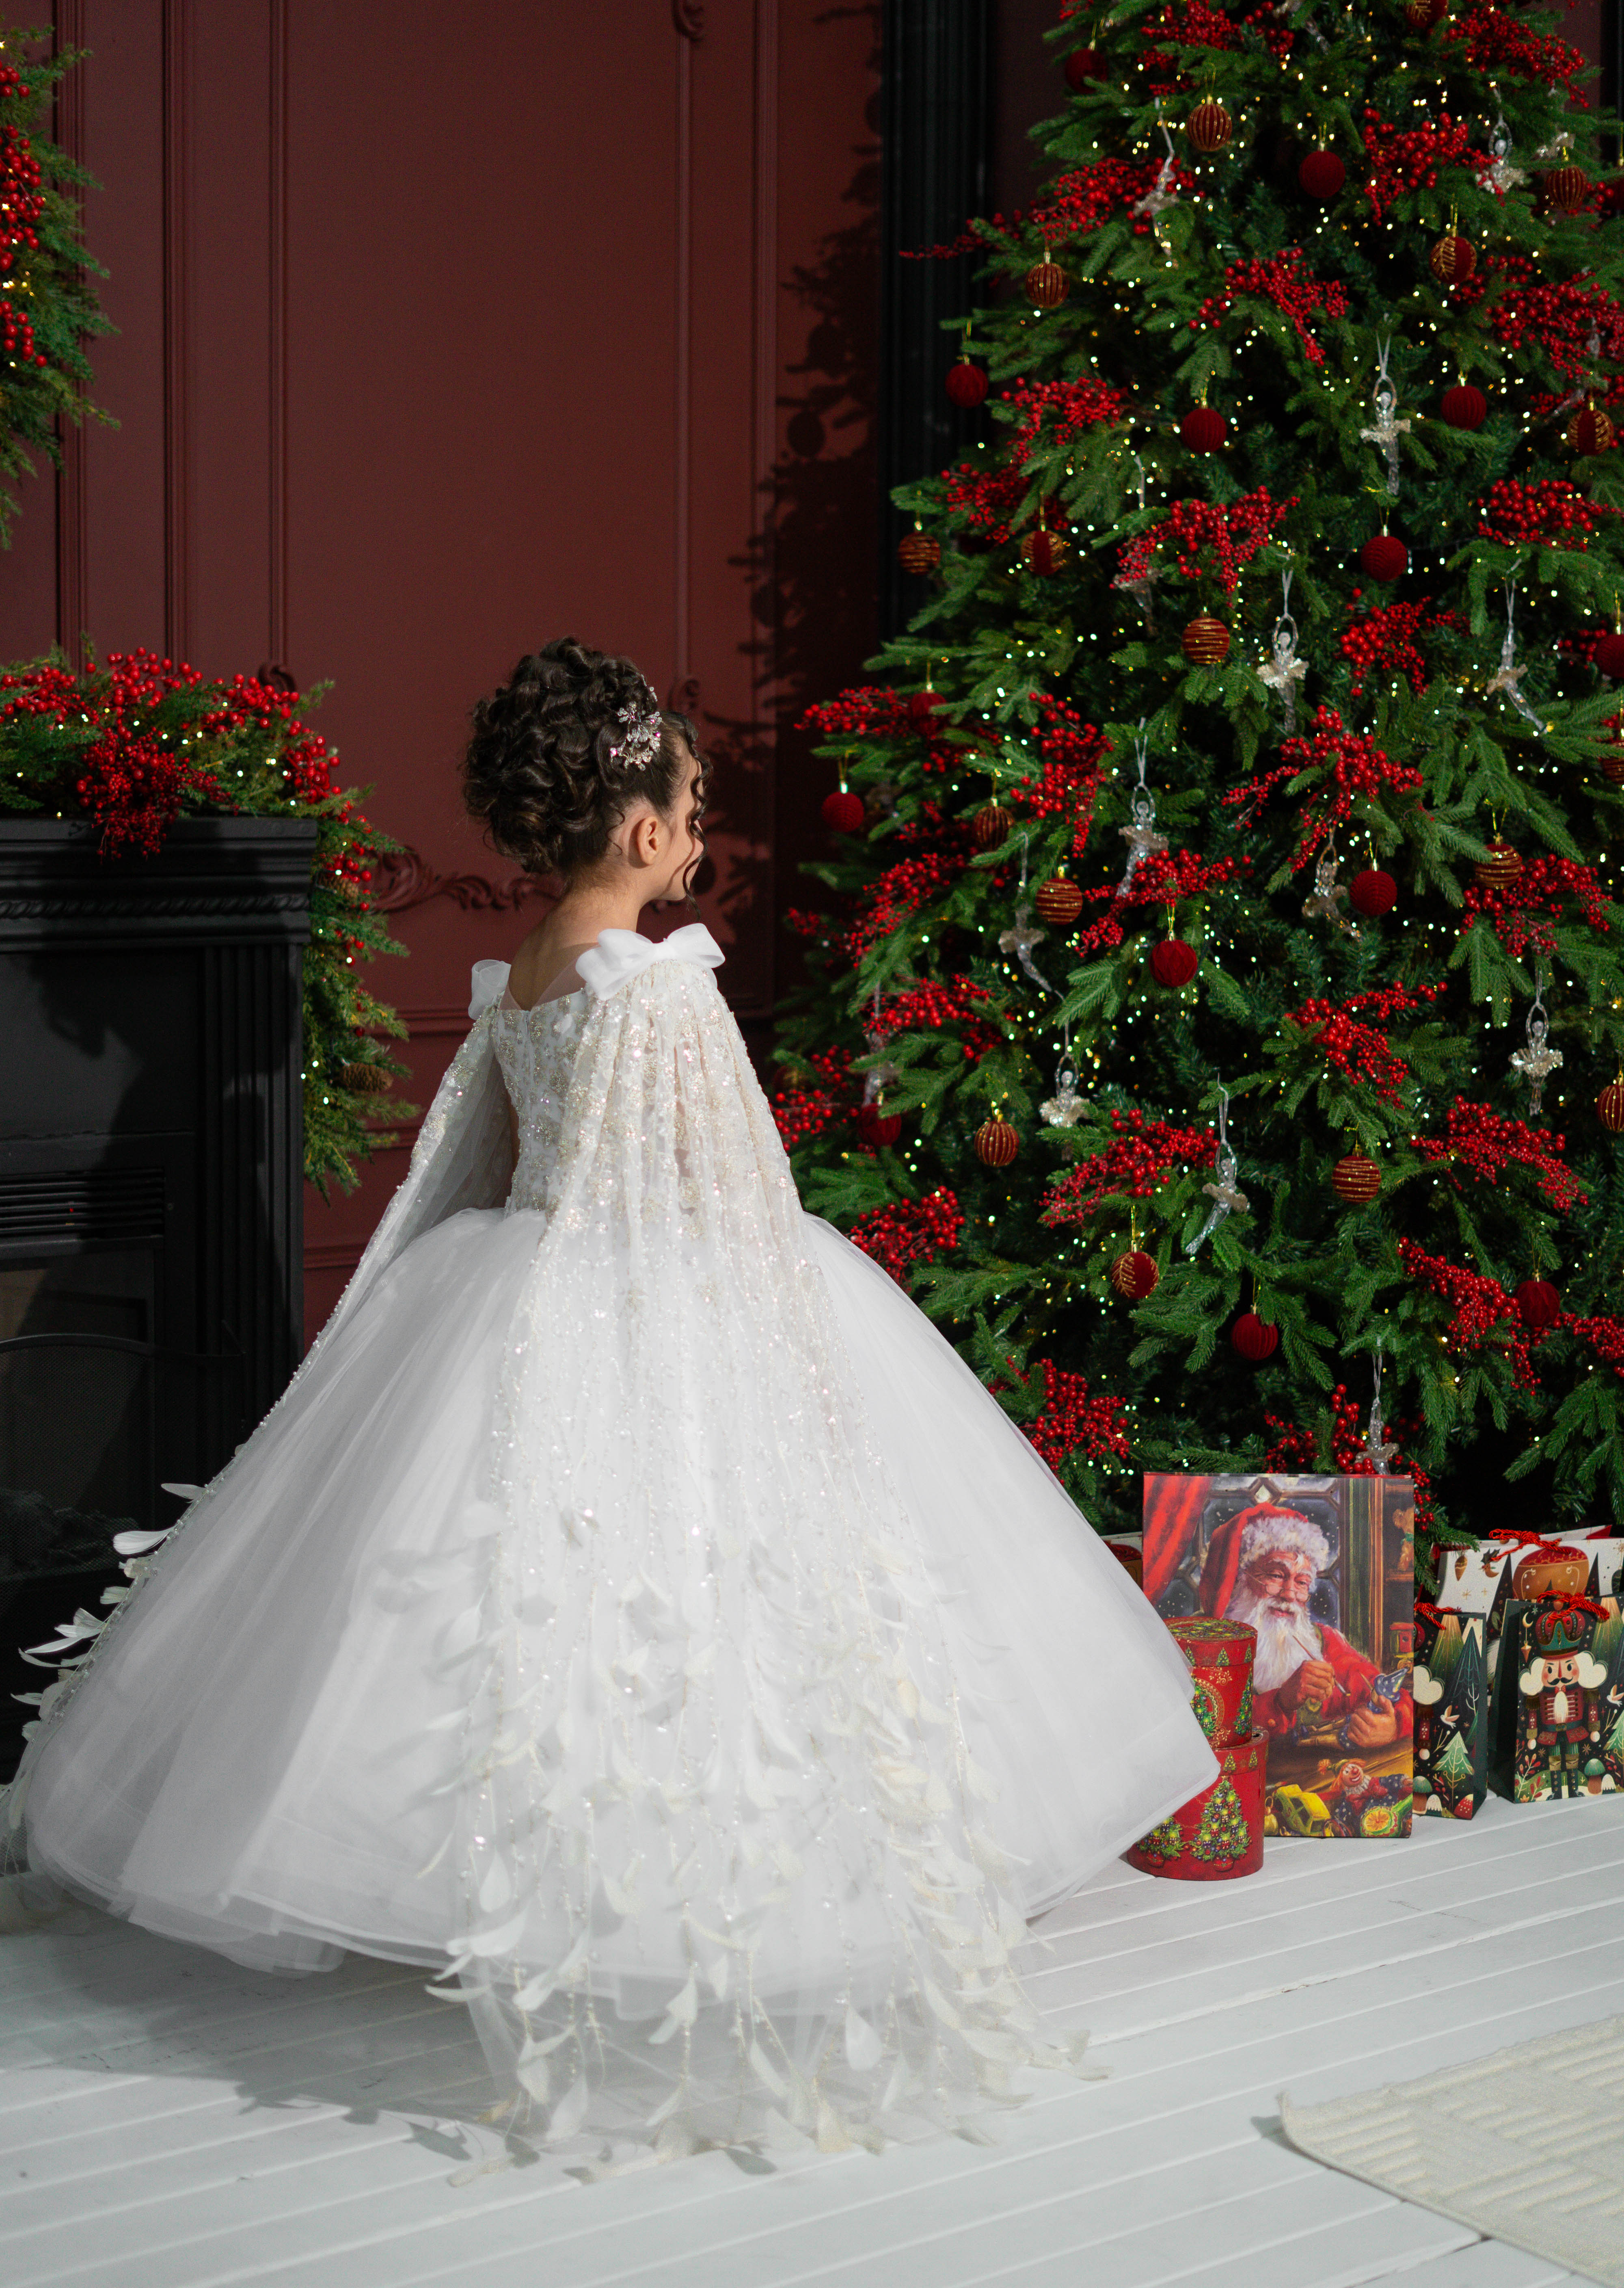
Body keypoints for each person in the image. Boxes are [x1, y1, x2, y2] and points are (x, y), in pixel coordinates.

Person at [2, 640, 1216, 2165]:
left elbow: (495, 1174)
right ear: (642, 829)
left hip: (527, 1286)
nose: (698, 840)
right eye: (695, 812)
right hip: (667, 1293)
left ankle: (525, 1883)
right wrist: (793, 1348)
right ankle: (713, 1900)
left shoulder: (524, 976)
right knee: (697, 1620)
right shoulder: (656, 984)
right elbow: (733, 1193)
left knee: (515, 1610)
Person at [1199, 1505, 1408, 1749]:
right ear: (1240, 1578)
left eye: (1301, 1582)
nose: (1289, 1595)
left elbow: (1393, 1693)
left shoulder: (1325, 1641)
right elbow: (1206, 1731)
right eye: (1276, 1575)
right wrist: (1280, 1703)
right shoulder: (1202, 1647)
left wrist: (1392, 1727)